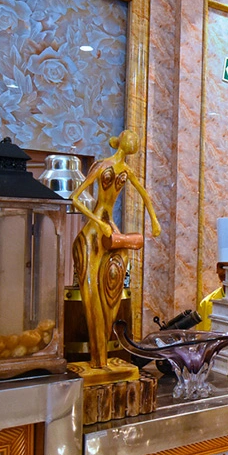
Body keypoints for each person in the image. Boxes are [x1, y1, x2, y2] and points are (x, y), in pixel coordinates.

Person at [70, 130, 161, 371]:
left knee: (112, 291)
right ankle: (96, 359)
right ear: (121, 142)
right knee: (91, 294)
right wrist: (97, 222)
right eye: (130, 137)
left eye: (135, 139)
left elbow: (145, 196)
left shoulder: (126, 171)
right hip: (94, 232)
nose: (133, 141)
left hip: (110, 230)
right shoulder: (103, 166)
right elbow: (76, 198)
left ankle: (104, 357)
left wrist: (154, 221)